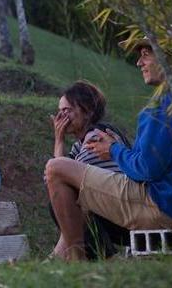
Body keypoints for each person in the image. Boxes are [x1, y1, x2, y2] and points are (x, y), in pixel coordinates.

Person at [45, 38, 172, 260]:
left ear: (170, 57)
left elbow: (146, 169)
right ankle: (72, 257)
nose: (139, 62)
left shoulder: (163, 107)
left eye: (146, 54)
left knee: (55, 169)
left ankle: (75, 262)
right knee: (63, 177)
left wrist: (113, 150)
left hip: (160, 206)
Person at [48, 80, 130, 259]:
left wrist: (59, 141)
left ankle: (106, 258)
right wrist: (59, 141)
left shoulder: (97, 136)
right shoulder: (79, 145)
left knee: (68, 201)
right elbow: (54, 179)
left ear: (88, 111)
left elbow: (63, 182)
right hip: (115, 212)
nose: (61, 117)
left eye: (67, 110)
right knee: (63, 199)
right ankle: (60, 257)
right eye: (59, 111)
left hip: (127, 213)